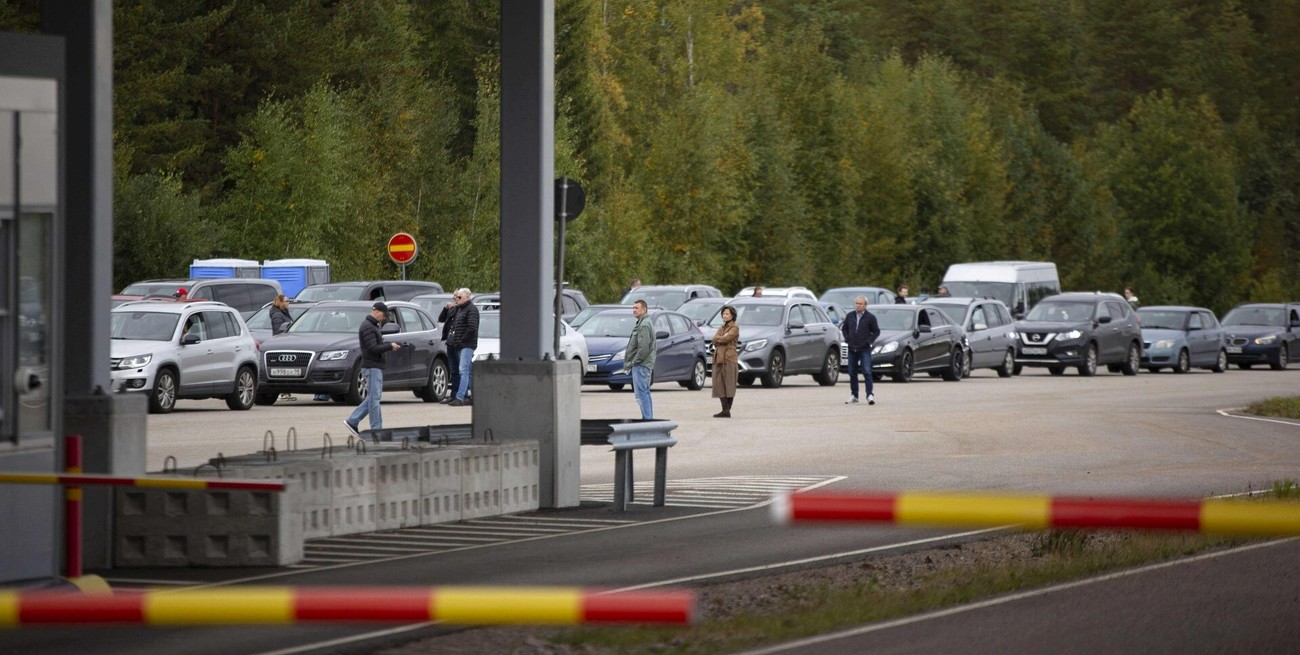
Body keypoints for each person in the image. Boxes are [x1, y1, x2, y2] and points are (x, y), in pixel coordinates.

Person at [344, 301, 401, 439]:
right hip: (372, 366)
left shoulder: (371, 326)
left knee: (373, 398)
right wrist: (389, 346)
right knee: (374, 399)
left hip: (373, 365)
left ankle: (353, 421)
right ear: (376, 311)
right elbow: (372, 348)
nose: (384, 318)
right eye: (383, 314)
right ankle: (376, 429)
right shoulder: (368, 327)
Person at [439, 288, 479, 407]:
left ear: (467, 297)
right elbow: (442, 319)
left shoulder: (471, 309)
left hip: (466, 344)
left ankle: (460, 396)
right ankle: (469, 396)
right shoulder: (459, 309)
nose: (456, 299)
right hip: (456, 343)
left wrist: (462, 340)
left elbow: (472, 328)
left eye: (459, 297)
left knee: (463, 370)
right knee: (465, 370)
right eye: (456, 297)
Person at [842, 295, 881, 406]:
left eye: (860, 304)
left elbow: (876, 331)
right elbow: (844, 328)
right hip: (852, 348)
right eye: (857, 303)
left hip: (864, 349)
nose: (858, 305)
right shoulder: (850, 316)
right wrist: (847, 338)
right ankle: (854, 395)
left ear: (865, 305)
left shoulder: (870, 317)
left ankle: (869, 395)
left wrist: (869, 341)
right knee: (852, 373)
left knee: (867, 371)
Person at [623, 299, 657, 419]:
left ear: (644, 309)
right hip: (642, 364)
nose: (634, 310)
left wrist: (634, 362)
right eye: (633, 308)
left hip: (641, 365)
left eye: (637, 308)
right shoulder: (643, 323)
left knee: (641, 394)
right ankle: (648, 418)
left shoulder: (644, 325)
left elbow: (643, 349)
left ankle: (647, 419)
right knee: (645, 393)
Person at [711, 305, 740, 418]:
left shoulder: (735, 327)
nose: (725, 315)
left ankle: (727, 410)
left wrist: (721, 338)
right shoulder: (721, 327)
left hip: (729, 358)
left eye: (727, 314)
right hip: (718, 358)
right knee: (719, 384)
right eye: (723, 314)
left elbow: (726, 339)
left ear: (732, 315)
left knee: (729, 383)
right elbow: (714, 339)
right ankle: (725, 409)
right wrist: (720, 337)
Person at [268, 294, 297, 401]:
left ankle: (286, 391)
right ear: (281, 302)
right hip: (282, 344)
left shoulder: (283, 312)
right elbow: (278, 331)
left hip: (286, 343)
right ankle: (284, 392)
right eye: (286, 301)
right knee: (284, 368)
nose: (288, 303)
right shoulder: (277, 315)